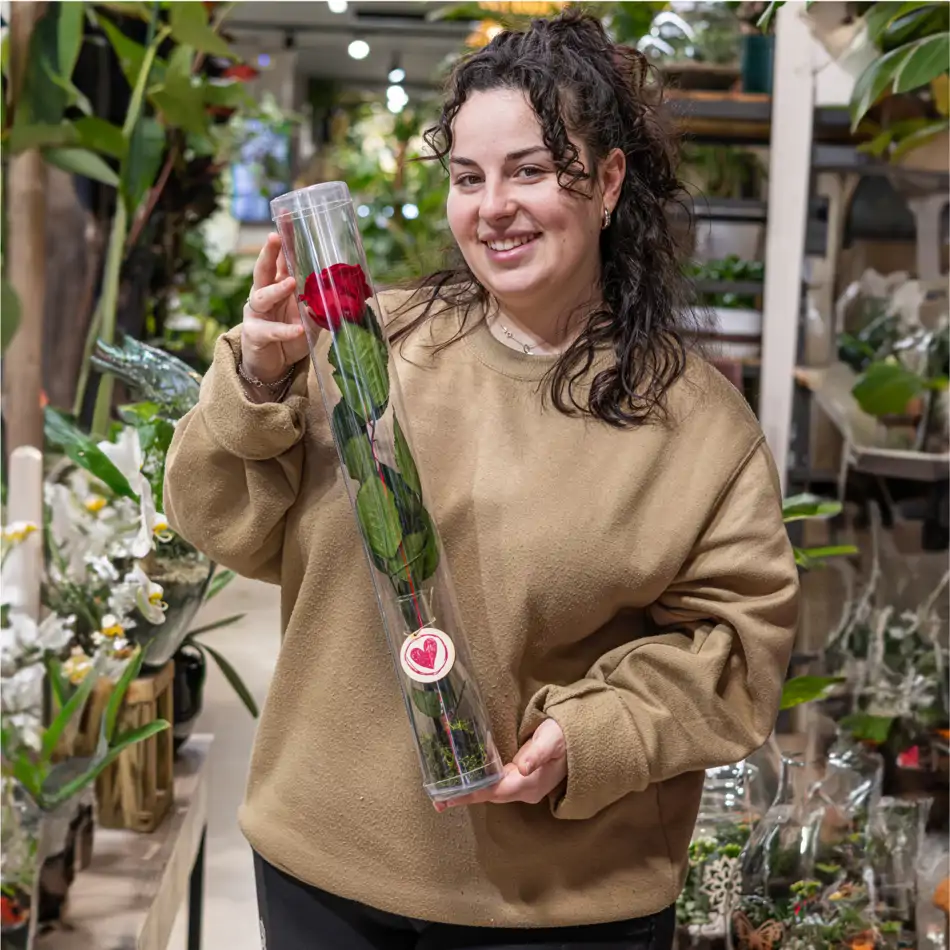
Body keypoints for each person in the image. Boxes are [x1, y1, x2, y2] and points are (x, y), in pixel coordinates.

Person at [164, 11, 799, 950]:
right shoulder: (366, 344)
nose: (492, 206)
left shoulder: (695, 424)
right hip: (323, 861)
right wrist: (255, 382)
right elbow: (225, 525)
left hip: (555, 899)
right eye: (469, 178)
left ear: (610, 180)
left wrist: (593, 738)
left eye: (532, 169)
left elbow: (739, 650)